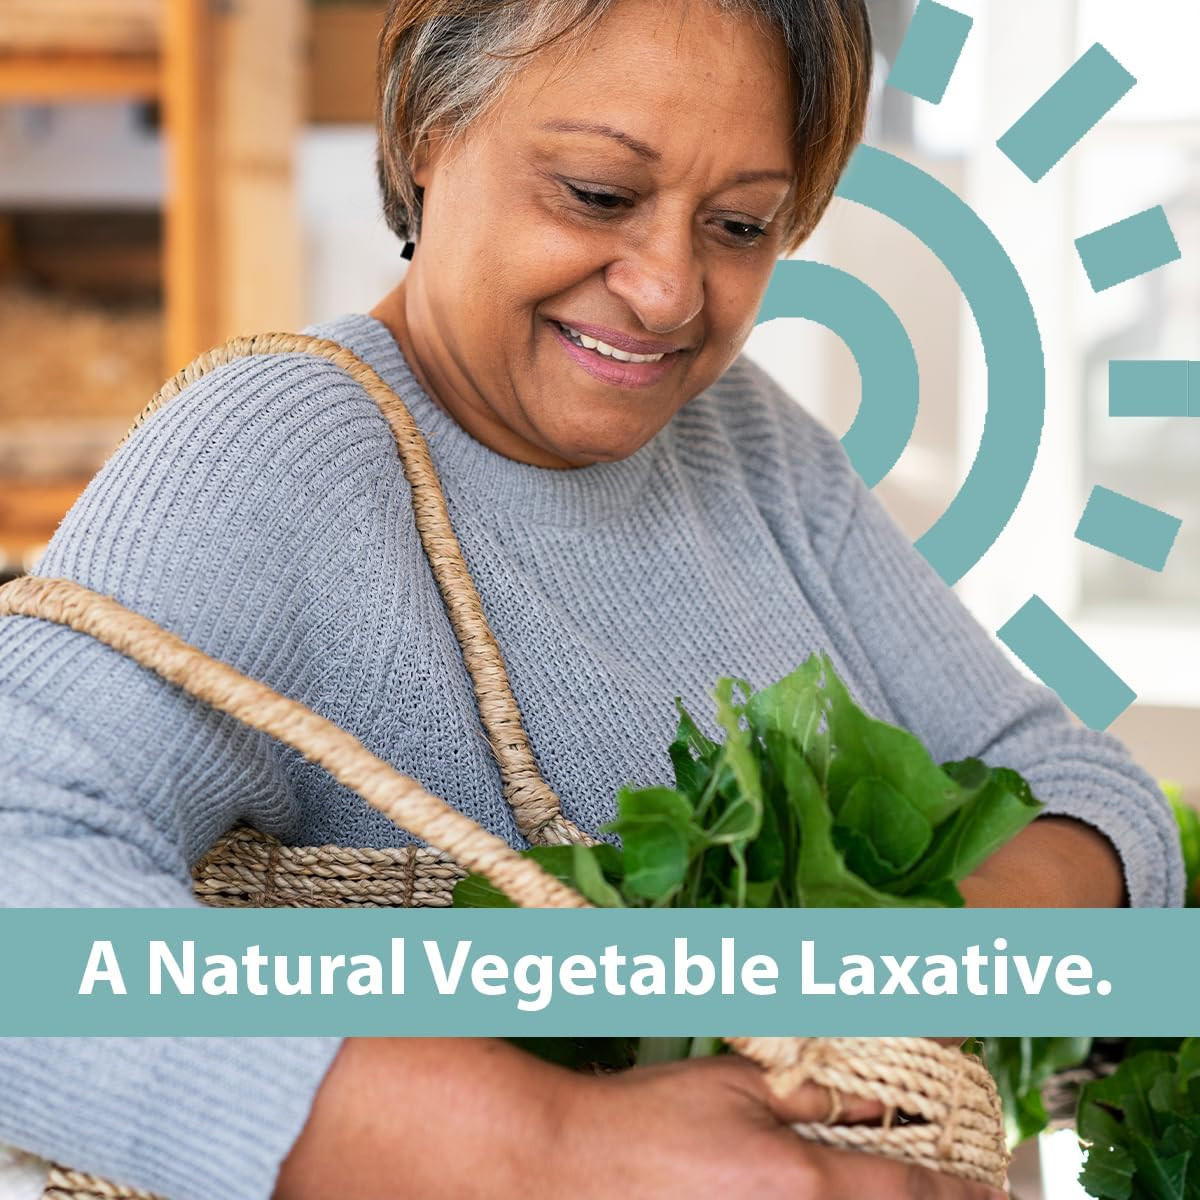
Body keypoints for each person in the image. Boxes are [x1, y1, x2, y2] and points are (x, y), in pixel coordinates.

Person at [0, 1, 1182, 1197]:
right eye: (597, 194)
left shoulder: (746, 442)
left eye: (739, 225)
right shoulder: (278, 452)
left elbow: (1082, 795)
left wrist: (883, 982)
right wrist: (547, 1149)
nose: (670, 291)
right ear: (429, 134)